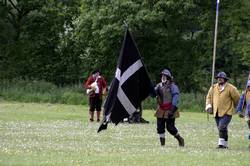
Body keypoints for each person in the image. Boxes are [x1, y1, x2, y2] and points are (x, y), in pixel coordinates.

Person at [205, 71, 240, 149]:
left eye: (221, 78)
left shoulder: (231, 88)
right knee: (221, 128)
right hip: (216, 111)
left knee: (222, 127)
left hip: (227, 111)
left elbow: (237, 99)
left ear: (225, 79)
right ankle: (225, 144)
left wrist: (236, 107)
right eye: (218, 78)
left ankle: (221, 145)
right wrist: (208, 106)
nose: (219, 79)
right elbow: (208, 97)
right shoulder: (213, 87)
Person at [154, 69, 184, 146]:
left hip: (170, 109)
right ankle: (162, 145)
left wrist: (172, 109)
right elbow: (153, 94)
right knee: (160, 127)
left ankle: (180, 139)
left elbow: (176, 97)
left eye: (165, 76)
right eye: (162, 76)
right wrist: (152, 90)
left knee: (170, 127)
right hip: (161, 109)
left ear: (168, 77)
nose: (163, 77)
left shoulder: (173, 87)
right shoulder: (158, 86)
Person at [236, 80, 250, 147]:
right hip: (248, 114)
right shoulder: (245, 94)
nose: (249, 88)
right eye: (248, 86)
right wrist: (239, 111)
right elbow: (241, 103)